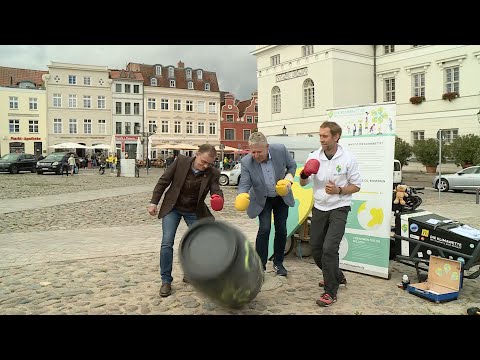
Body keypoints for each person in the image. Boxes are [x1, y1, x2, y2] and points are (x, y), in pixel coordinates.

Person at [147, 144, 224, 297]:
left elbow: (216, 188)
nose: (205, 166)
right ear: (197, 154)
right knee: (167, 242)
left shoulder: (213, 172)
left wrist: (218, 198)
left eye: (209, 163)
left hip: (193, 210)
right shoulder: (180, 162)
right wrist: (153, 202)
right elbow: (164, 181)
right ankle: (166, 280)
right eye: (203, 161)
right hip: (173, 207)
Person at [299, 121, 361, 307]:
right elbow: (303, 183)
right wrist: (304, 173)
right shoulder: (314, 156)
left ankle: (330, 291)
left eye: (325, 136)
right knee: (316, 249)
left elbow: (356, 186)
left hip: (339, 207)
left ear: (336, 137)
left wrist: (339, 190)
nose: (321, 139)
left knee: (329, 249)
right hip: (319, 207)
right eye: (320, 136)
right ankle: (336, 275)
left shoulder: (348, 158)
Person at [235, 132, 296, 276]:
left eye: (259, 152)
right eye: (252, 152)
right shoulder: (246, 162)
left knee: (281, 229)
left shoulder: (280, 150)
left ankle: (278, 263)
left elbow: (292, 166)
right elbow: (244, 183)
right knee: (265, 228)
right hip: (262, 199)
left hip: (281, 196)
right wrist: (242, 195)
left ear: (267, 147)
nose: (255, 155)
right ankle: (260, 265)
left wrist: (288, 181)